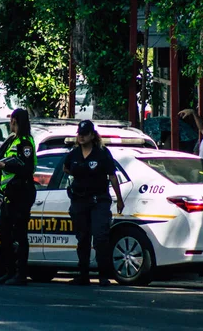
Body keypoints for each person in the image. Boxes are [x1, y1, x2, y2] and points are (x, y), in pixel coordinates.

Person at [63, 120, 125, 287]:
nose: (81, 137)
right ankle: (83, 275)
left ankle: (103, 276)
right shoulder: (74, 154)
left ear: (92, 135)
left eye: (85, 134)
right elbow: (66, 168)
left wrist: (119, 199)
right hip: (79, 201)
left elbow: (112, 177)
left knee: (100, 237)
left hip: (99, 201)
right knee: (82, 238)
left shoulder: (102, 153)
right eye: (79, 134)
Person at [0, 109, 37, 286]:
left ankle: (20, 273)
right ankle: (9, 270)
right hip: (10, 193)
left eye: (11, 120)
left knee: (19, 234)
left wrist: (6, 166)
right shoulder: (14, 140)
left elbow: (26, 168)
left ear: (15, 121)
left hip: (21, 193)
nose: (10, 124)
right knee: (4, 233)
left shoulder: (25, 142)